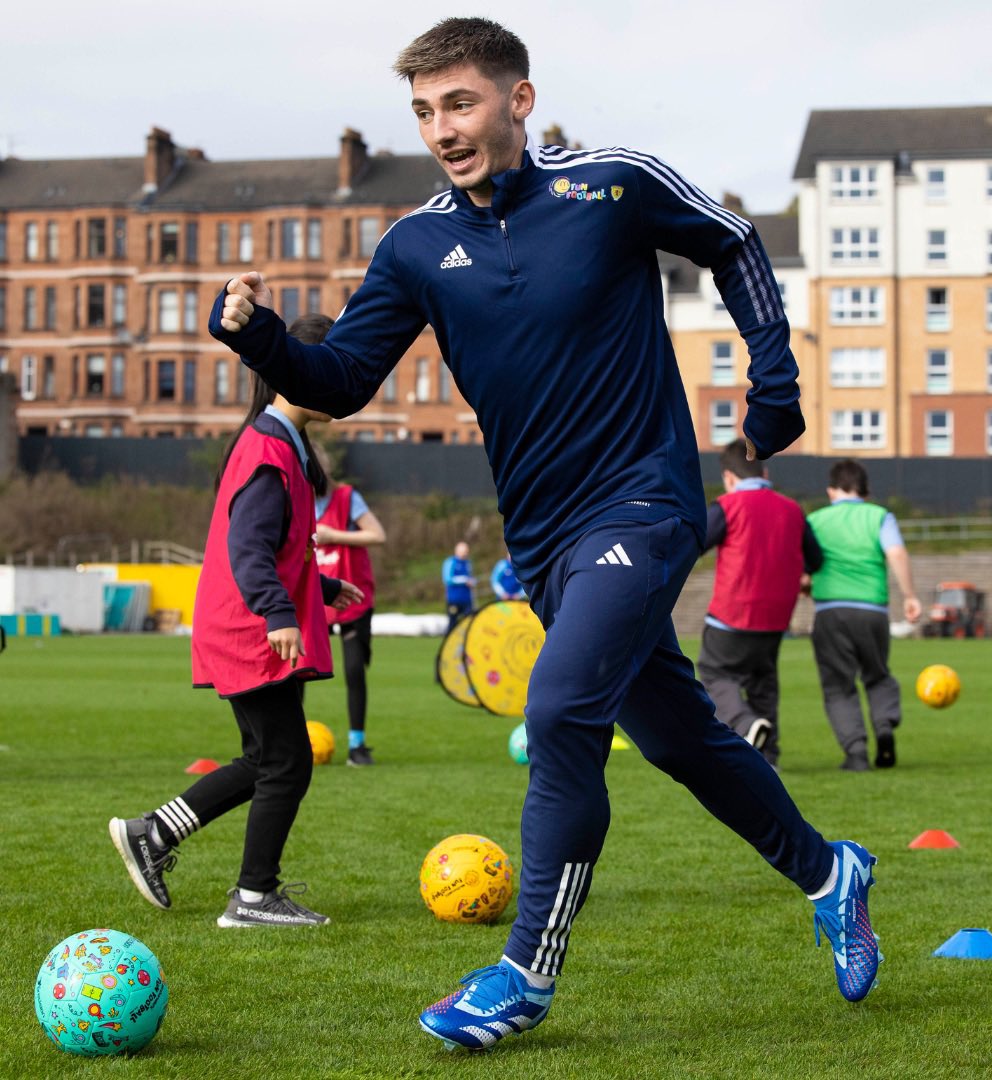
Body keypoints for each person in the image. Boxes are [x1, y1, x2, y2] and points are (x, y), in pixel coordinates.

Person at [208, 16, 882, 1048]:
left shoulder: (610, 186)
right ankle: (832, 872)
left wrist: (774, 379)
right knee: (679, 738)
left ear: (518, 100)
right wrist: (258, 339)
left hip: (646, 503)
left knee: (563, 708)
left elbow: (735, 241)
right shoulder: (417, 246)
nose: (444, 128)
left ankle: (524, 973)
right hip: (549, 539)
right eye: (426, 111)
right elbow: (340, 380)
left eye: (462, 102)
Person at [108, 373, 362, 927]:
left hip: (243, 625)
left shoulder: (277, 445)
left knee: (265, 760)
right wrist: (277, 612)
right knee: (288, 763)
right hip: (250, 631)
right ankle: (253, 897)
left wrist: (318, 589)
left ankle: (153, 833)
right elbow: (246, 547)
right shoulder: (270, 449)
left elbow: (273, 544)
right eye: (340, 376)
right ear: (300, 374)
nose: (349, 391)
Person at [290, 313, 388, 767]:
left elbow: (377, 535)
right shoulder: (297, 492)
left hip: (351, 597)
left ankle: (358, 743)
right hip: (314, 594)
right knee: (300, 671)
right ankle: (292, 742)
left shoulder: (347, 497)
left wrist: (335, 536)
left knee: (353, 670)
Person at [696, 438, 822, 768]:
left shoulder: (727, 506)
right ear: (764, 471)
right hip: (776, 616)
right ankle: (769, 756)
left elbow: (695, 542)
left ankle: (744, 723)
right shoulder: (792, 508)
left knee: (711, 674)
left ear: (728, 477)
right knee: (763, 684)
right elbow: (816, 557)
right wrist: (804, 575)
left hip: (732, 613)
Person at [807, 459, 922, 772]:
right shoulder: (880, 516)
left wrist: (804, 585)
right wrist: (910, 596)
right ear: (865, 490)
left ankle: (856, 751)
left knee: (838, 685)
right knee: (877, 674)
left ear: (831, 490)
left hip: (830, 609)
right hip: (873, 609)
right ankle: (884, 727)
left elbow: (804, 565)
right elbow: (896, 553)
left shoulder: (815, 520)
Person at [442, 540, 476, 630]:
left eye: (467, 552)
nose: (466, 554)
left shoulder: (468, 563)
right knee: (452, 623)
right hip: (454, 599)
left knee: (469, 623)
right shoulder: (450, 562)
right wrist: (464, 580)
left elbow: (471, 577)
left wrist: (472, 581)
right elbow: (448, 579)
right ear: (457, 551)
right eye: (464, 551)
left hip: (467, 599)